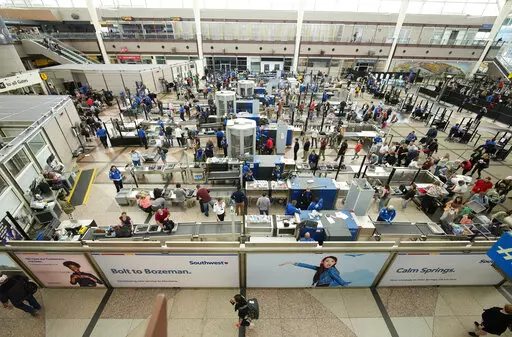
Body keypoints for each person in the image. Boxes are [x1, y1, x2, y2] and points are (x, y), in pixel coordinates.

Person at [279, 256, 351, 286]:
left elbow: (337, 278)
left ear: (334, 263)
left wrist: (344, 284)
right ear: (323, 262)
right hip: (319, 283)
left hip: (324, 285)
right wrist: (292, 263)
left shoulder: (331, 270)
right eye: (327, 261)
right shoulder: (320, 268)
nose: (329, 263)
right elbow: (307, 266)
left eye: (332, 261)